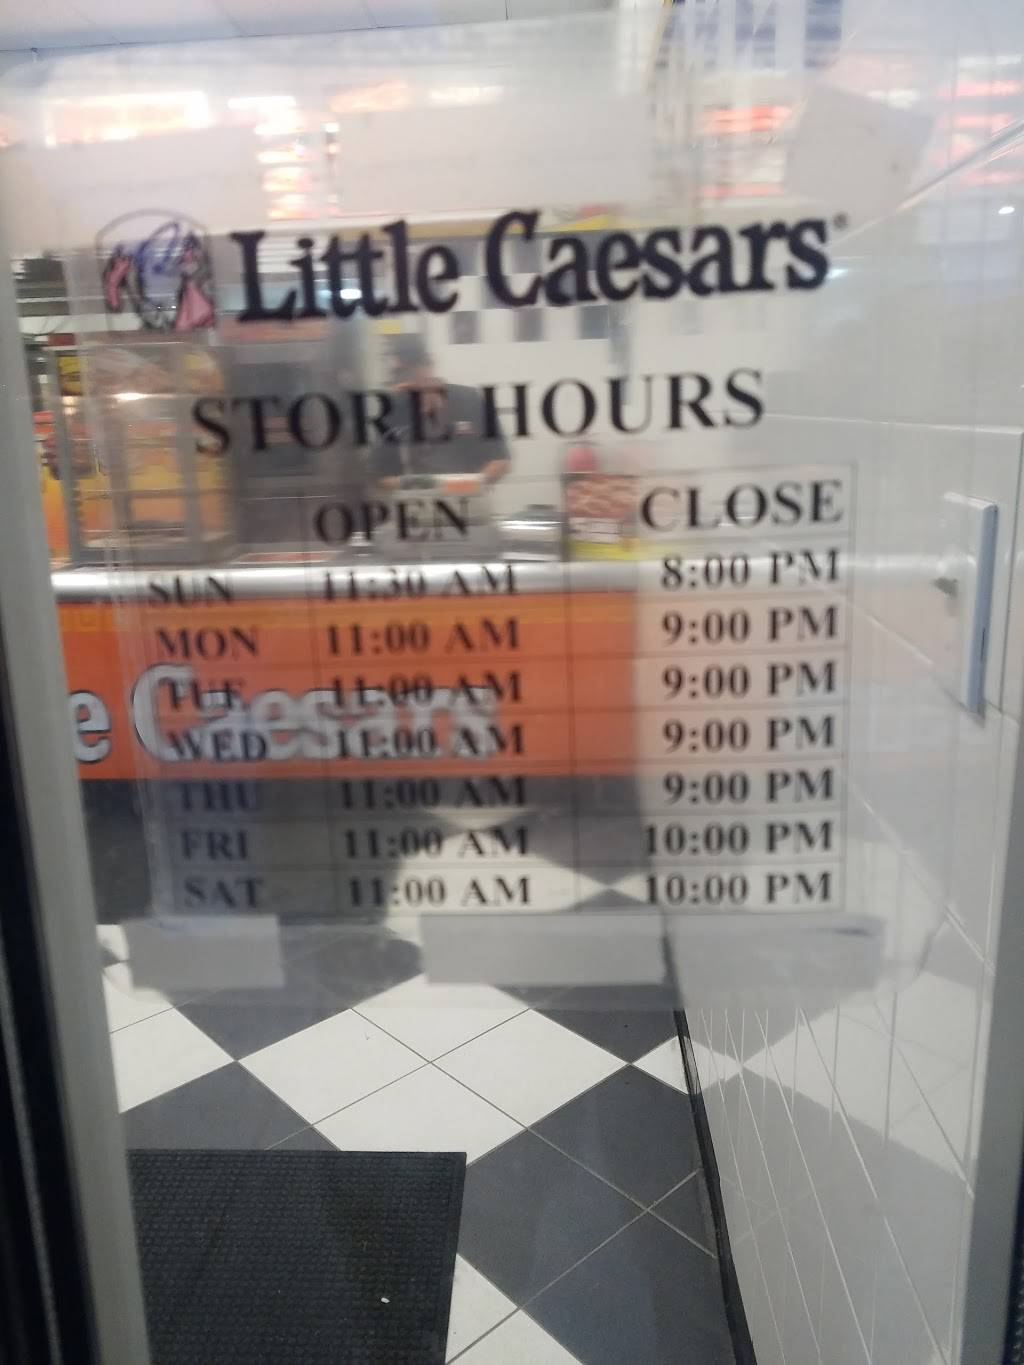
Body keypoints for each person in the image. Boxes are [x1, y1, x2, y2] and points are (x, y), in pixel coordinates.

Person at [372, 335, 510, 491]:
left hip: (470, 498)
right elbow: (379, 474)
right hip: (414, 500)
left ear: (429, 363)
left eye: (412, 369)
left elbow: (501, 460)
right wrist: (420, 486)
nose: (409, 382)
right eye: (401, 374)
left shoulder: (470, 399)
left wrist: (465, 486)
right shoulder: (394, 408)